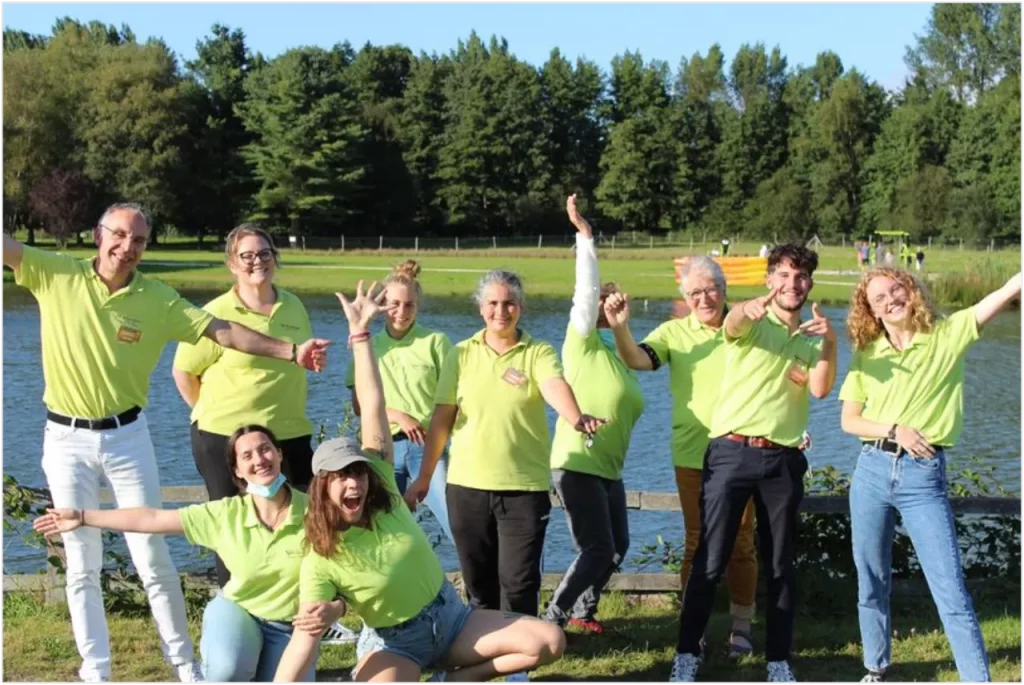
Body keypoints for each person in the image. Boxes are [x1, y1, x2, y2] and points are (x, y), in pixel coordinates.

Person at [1, 203, 329, 684]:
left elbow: (223, 332)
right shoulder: (56, 273)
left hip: (128, 435)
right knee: (81, 561)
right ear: (98, 235)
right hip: (64, 437)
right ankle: (97, 672)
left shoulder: (158, 298)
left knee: (153, 556)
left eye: (138, 240)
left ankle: (185, 668)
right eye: (118, 235)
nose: (126, 247)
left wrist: (291, 352)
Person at [272, 281, 567, 682]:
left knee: (549, 641)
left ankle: (458, 678)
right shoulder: (321, 557)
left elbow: (373, 403)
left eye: (357, 470)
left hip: (453, 620)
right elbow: (302, 644)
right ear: (322, 488)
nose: (353, 482)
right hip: (396, 644)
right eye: (340, 477)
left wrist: (360, 336)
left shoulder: (385, 494)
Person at [404, 269, 604, 679]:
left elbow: (554, 385)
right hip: (467, 487)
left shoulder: (538, 351)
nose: (501, 311)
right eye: (492, 303)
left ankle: (518, 670)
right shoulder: (459, 354)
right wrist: (424, 478)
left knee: (518, 583)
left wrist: (576, 416)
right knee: (479, 587)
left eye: (509, 303)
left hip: (522, 490)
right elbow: (442, 419)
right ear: (480, 308)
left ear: (521, 307)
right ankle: (480, 665)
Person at [33, 425, 346, 682]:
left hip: (294, 626)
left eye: (265, 449)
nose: (259, 459)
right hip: (240, 613)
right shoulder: (224, 514)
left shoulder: (316, 512)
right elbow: (151, 519)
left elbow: (354, 570)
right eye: (246, 455)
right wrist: (84, 517)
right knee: (225, 672)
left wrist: (338, 607)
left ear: (279, 454)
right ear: (237, 470)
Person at [839, 268, 1021, 684]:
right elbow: (849, 420)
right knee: (870, 579)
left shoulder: (947, 334)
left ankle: (978, 678)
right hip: (870, 472)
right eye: (878, 298)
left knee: (950, 590)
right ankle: (876, 667)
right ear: (869, 310)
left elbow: (1003, 291)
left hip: (922, 478)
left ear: (911, 290)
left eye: (894, 289)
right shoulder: (868, 352)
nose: (889, 300)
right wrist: (893, 429)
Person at [668, 244, 838, 683]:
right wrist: (747, 308)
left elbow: (819, 389)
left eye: (800, 277)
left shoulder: (813, 337)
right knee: (710, 557)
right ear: (769, 280)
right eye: (782, 275)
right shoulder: (747, 321)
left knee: (781, 564)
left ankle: (778, 661)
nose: (792, 284)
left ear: (809, 284)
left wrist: (831, 341)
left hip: (782, 460)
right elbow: (734, 322)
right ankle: (686, 655)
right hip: (731, 454)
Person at [605, 255, 758, 659]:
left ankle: (742, 625)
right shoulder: (674, 332)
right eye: (694, 293)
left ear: (724, 290)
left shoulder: (748, 325)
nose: (704, 298)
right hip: (693, 454)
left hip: (744, 451)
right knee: (696, 542)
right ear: (685, 298)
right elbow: (639, 359)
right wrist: (620, 328)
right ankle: (697, 627)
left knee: (741, 543)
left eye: (710, 289)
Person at [172, 224, 317, 590]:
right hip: (225, 438)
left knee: (306, 518)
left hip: (289, 433)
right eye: (247, 256)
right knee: (233, 525)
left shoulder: (294, 306)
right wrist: (219, 422)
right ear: (232, 264)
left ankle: (299, 607)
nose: (257, 262)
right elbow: (184, 372)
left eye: (265, 253)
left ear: (275, 259)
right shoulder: (217, 312)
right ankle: (237, 608)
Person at [540, 196, 645, 634]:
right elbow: (584, 295)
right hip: (577, 462)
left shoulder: (620, 351)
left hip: (609, 469)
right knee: (598, 547)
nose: (603, 301)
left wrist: (621, 325)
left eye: (611, 297)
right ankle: (553, 618)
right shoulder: (578, 343)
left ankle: (584, 611)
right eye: (600, 297)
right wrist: (586, 239)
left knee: (617, 545)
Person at [345, 259, 455, 544]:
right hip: (382, 447)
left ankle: (481, 584)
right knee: (380, 527)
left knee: (455, 522)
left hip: (426, 447)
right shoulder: (366, 343)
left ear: (418, 305)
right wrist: (398, 416)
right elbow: (359, 406)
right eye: (393, 304)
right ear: (382, 304)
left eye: (409, 305)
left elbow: (453, 400)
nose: (401, 312)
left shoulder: (436, 342)